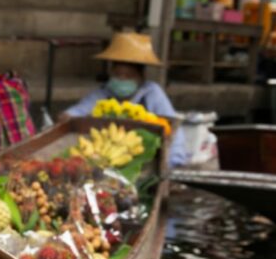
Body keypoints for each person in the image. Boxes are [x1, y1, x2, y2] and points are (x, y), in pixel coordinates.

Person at [61, 32, 188, 166]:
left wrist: (174, 161)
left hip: (148, 161)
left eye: (128, 76)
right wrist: (67, 116)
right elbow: (79, 111)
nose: (122, 79)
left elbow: (173, 129)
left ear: (141, 77)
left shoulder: (152, 93)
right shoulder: (103, 93)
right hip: (108, 157)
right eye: (117, 75)